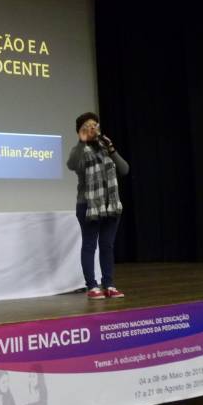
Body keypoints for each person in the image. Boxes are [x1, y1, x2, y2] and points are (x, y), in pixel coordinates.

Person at [66, 112, 129, 300]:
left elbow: (125, 169)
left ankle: (109, 284)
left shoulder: (105, 147)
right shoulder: (79, 150)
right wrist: (81, 142)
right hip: (88, 206)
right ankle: (92, 286)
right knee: (89, 245)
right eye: (87, 126)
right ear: (80, 130)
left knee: (107, 245)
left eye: (95, 125)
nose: (92, 128)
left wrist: (112, 149)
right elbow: (72, 165)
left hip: (111, 206)